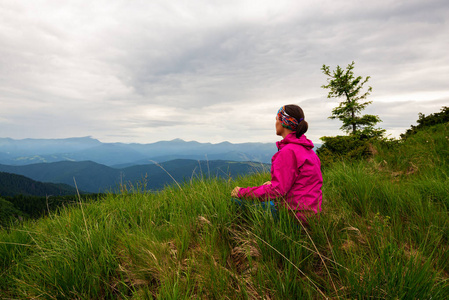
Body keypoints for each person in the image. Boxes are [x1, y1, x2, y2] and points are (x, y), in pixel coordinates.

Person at [231, 105, 323, 224]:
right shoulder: (309, 151)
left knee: (236, 202)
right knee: (265, 201)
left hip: (294, 217)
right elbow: (301, 183)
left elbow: (277, 191)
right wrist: (272, 184)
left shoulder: (288, 152)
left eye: (276, 120)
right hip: (311, 214)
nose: (275, 123)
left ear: (283, 122)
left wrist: (242, 192)